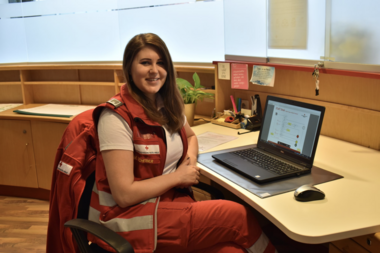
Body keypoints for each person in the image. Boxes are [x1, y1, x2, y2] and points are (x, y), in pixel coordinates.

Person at [88, 33, 277, 253]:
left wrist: (188, 164)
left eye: (161, 63)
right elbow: (124, 195)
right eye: (145, 63)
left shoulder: (164, 104)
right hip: (132, 218)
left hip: (169, 203)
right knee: (236, 216)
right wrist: (177, 177)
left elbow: (190, 136)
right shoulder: (115, 117)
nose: (154, 70)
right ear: (129, 68)